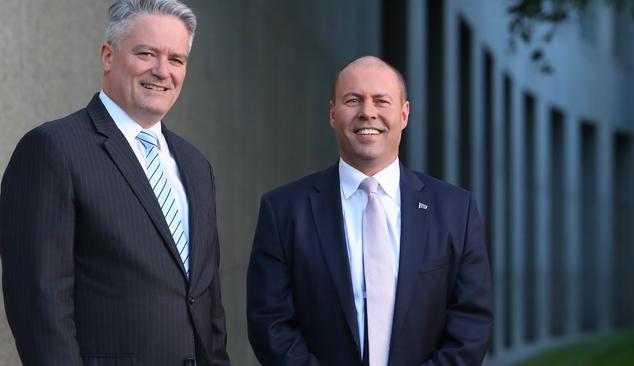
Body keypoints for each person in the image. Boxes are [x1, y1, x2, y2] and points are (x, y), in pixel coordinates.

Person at [0, 1, 230, 365]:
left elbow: (207, 301)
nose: (162, 71)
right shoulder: (53, 149)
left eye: (176, 60)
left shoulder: (196, 166)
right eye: (146, 53)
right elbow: (38, 302)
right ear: (108, 56)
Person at [247, 56, 492, 366]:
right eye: (353, 100)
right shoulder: (283, 211)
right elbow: (270, 323)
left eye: (381, 101)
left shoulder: (456, 210)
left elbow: (471, 323)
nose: (367, 112)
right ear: (333, 113)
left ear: (404, 114)